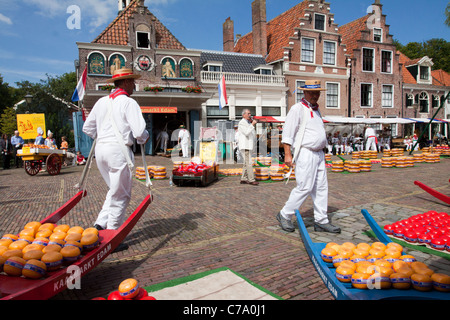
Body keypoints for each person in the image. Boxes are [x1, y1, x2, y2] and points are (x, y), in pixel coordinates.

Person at [82, 68, 149, 232]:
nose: (134, 85)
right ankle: (113, 234)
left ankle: (100, 224)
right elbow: (140, 132)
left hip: (101, 150)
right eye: (133, 82)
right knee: (121, 194)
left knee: (114, 190)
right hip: (118, 151)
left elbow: (87, 128)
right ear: (126, 82)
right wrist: (143, 138)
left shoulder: (101, 102)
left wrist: (104, 136)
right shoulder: (128, 102)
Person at [276, 80, 340, 234]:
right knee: (304, 186)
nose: (315, 95)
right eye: (312, 92)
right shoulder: (297, 109)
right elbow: (288, 133)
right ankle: (284, 214)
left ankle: (321, 220)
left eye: (317, 92)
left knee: (321, 187)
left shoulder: (316, 110)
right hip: (305, 152)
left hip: (318, 154)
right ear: (304, 92)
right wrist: (288, 154)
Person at [238, 109, 258, 185]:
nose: (250, 115)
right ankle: (251, 179)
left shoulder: (247, 123)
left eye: (250, 113)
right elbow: (246, 132)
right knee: (249, 163)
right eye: (248, 113)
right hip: (245, 146)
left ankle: (243, 178)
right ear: (244, 115)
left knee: (246, 163)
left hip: (248, 146)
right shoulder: (242, 123)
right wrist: (252, 124)